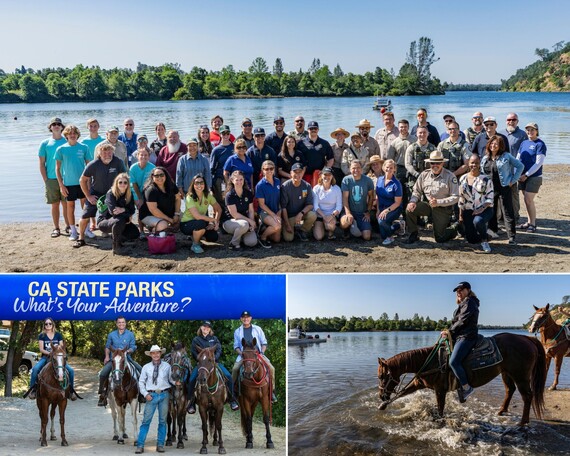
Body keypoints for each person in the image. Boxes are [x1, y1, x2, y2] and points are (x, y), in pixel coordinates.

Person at [74, 142, 127, 248]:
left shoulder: (118, 162)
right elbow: (82, 180)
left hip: (113, 193)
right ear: (99, 153)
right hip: (96, 193)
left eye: (109, 152)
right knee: (85, 216)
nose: (107, 155)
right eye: (104, 152)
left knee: (120, 213)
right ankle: (81, 238)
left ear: (113, 152)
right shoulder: (94, 164)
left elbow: (124, 178)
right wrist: (88, 196)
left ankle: (118, 237)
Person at [404, 150, 459, 244]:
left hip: (443, 208)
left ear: (442, 163)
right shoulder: (424, 175)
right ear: (430, 163)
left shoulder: (450, 176)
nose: (435, 165)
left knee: (440, 238)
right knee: (410, 209)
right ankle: (413, 234)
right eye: (433, 163)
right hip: (428, 205)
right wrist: (413, 201)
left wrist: (439, 202)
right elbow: (416, 191)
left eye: (438, 163)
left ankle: (455, 228)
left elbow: (455, 197)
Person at [186, 321, 239, 414]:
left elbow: (219, 349)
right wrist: (200, 359)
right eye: (204, 326)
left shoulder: (214, 339)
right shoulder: (196, 340)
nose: (206, 328)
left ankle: (232, 399)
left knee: (229, 376)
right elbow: (193, 352)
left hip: (215, 363)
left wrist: (214, 358)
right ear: (201, 328)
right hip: (201, 365)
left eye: (208, 327)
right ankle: (191, 402)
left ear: (210, 329)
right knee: (192, 379)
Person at [480, 135, 524, 244]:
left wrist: (513, 180)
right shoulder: (485, 158)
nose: (493, 146)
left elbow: (520, 166)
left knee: (507, 211)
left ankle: (512, 236)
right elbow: (482, 172)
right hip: (490, 189)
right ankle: (493, 231)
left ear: (500, 146)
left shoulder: (506, 156)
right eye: (491, 143)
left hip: (504, 187)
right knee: (491, 211)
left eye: (496, 144)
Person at [441, 281, 480, 403]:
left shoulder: (469, 302)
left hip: (467, 336)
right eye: (457, 291)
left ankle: (466, 387)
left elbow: (462, 321)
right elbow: (455, 322)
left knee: (454, 361)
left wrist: (449, 332)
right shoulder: (463, 304)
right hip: (460, 336)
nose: (459, 292)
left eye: (461, 290)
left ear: (468, 290)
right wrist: (448, 330)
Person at [54, 124, 90, 243]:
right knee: (70, 206)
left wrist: (89, 183)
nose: (72, 135)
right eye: (70, 134)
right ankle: (74, 231)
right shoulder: (61, 149)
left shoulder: (84, 147)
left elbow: (89, 166)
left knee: (85, 206)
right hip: (68, 183)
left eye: (74, 133)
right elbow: (57, 169)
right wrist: (61, 185)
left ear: (78, 135)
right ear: (66, 135)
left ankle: (86, 229)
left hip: (82, 182)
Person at [232, 311, 277, 403]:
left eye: (247, 317)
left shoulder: (258, 329)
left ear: (251, 318)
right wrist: (241, 353)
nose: (245, 319)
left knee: (271, 368)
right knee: (235, 369)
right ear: (241, 319)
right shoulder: (237, 331)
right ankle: (233, 392)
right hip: (244, 355)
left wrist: (262, 352)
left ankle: (272, 391)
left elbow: (264, 342)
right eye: (244, 317)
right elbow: (236, 346)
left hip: (258, 354)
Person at [97, 316, 143, 407]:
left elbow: (133, 346)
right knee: (103, 373)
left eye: (123, 322)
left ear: (125, 323)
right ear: (116, 324)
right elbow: (107, 346)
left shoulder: (130, 334)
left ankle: (141, 394)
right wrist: (106, 356)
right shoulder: (111, 334)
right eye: (119, 322)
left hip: (127, 359)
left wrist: (129, 351)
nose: (121, 324)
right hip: (114, 360)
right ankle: (102, 394)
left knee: (141, 370)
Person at [136, 345, 173, 454]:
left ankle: (160, 444)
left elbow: (171, 379)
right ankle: (140, 445)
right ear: (151, 355)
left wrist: (177, 382)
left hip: (164, 395)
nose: (156, 355)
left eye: (158, 353)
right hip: (151, 395)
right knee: (146, 421)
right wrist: (145, 394)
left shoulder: (167, 366)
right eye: (153, 353)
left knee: (162, 421)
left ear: (160, 354)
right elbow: (141, 382)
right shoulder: (146, 367)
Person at [28, 317, 77, 401]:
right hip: (46, 357)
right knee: (35, 369)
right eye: (46, 324)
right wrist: (50, 353)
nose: (48, 325)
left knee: (71, 371)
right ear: (44, 325)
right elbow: (41, 349)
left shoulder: (58, 335)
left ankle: (71, 391)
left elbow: (61, 347)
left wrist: (57, 352)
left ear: (52, 324)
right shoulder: (42, 335)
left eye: (50, 323)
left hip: (58, 358)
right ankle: (33, 389)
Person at [39, 117, 70, 238]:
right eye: (54, 124)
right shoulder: (45, 143)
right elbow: (41, 163)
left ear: (62, 127)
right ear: (50, 127)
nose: (56, 126)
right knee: (55, 204)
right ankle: (56, 228)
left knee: (66, 204)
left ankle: (69, 226)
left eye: (58, 124)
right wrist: (45, 180)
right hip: (51, 179)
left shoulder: (67, 141)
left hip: (66, 178)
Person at [458, 154, 494, 253]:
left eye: (476, 163)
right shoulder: (462, 178)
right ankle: (487, 234)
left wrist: (480, 209)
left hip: (485, 209)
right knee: (471, 240)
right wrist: (460, 215)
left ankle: (484, 240)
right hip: (469, 210)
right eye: (472, 163)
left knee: (478, 221)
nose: (474, 165)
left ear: (479, 164)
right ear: (468, 164)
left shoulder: (486, 179)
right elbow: (461, 198)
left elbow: (490, 199)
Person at [98, 173, 140, 255]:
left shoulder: (129, 194)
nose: (122, 184)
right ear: (116, 183)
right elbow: (113, 212)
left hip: (122, 220)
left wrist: (123, 209)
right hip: (105, 222)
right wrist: (127, 214)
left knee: (135, 233)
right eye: (120, 182)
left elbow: (132, 210)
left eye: (125, 182)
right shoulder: (110, 193)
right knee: (119, 221)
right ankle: (116, 247)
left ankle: (119, 237)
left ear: (128, 184)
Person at [180, 174, 222, 254]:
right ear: (193, 185)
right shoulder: (189, 197)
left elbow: (219, 209)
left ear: (205, 184)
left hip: (201, 222)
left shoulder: (208, 196)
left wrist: (215, 222)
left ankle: (196, 236)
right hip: (186, 224)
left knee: (213, 237)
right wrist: (212, 220)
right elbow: (197, 216)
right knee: (200, 223)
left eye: (201, 182)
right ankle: (195, 245)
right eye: (196, 183)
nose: (199, 185)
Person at [517, 122, 546, 233]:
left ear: (537, 131)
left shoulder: (540, 144)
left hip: (534, 176)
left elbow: (539, 163)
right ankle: (529, 222)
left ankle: (533, 224)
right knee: (526, 200)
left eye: (532, 130)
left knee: (528, 199)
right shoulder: (524, 143)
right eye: (528, 130)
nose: (530, 132)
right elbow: (518, 158)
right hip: (522, 176)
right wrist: (518, 173)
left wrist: (527, 174)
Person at [500, 113, 527, 224]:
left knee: (514, 194)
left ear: (517, 121)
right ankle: (501, 216)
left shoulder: (522, 134)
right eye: (509, 119)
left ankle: (515, 215)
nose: (511, 121)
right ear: (506, 120)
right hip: (501, 169)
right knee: (501, 194)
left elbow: (525, 154)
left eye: (513, 119)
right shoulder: (500, 133)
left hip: (514, 170)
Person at [138, 166, 182, 234]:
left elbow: (178, 199)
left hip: (167, 213)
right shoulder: (150, 190)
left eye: (162, 175)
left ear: (165, 175)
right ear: (153, 177)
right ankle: (153, 229)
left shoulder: (171, 185)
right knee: (163, 225)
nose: (159, 178)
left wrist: (176, 214)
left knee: (185, 218)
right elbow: (153, 210)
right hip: (149, 215)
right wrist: (169, 219)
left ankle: (159, 228)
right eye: (156, 176)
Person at [280, 163, 317, 242]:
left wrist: (301, 213)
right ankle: (290, 227)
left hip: (301, 215)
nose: (297, 174)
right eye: (295, 172)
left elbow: (310, 205)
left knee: (313, 215)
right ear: (291, 173)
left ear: (303, 173)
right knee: (288, 239)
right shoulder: (285, 186)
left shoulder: (307, 186)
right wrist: (287, 224)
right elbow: (283, 208)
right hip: (289, 217)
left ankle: (302, 230)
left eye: (299, 172)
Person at [222, 170, 257, 250]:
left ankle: (240, 235)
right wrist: (249, 221)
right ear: (232, 181)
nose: (239, 182)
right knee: (244, 224)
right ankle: (234, 243)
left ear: (244, 180)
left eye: (241, 179)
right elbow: (235, 215)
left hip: (245, 222)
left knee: (251, 242)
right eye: (236, 180)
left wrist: (251, 223)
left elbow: (251, 211)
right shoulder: (229, 195)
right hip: (230, 222)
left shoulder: (248, 193)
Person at [340, 160, 375, 241]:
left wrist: (368, 212)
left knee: (367, 237)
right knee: (345, 222)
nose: (356, 170)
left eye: (358, 168)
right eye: (353, 168)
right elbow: (344, 198)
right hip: (349, 210)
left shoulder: (368, 180)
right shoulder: (346, 180)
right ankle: (347, 230)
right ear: (350, 169)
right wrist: (348, 213)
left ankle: (357, 226)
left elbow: (371, 197)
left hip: (362, 212)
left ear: (361, 169)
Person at [387, 119, 416, 208]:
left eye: (405, 127)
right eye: (401, 127)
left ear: (408, 127)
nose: (403, 129)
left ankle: (412, 210)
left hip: (412, 168)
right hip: (399, 169)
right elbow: (390, 158)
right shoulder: (394, 142)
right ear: (398, 128)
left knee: (412, 190)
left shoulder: (414, 140)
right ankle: (402, 211)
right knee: (401, 191)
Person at [375, 159, 403, 246]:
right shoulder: (379, 179)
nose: (389, 169)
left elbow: (397, 203)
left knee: (381, 221)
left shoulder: (396, 184)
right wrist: (378, 210)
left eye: (391, 168)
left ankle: (390, 237)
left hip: (394, 208)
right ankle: (398, 225)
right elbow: (378, 197)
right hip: (382, 207)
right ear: (383, 168)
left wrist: (387, 210)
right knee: (383, 235)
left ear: (394, 169)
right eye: (387, 167)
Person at [296, 121, 334, 185]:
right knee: (306, 194)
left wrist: (325, 170)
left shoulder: (324, 143)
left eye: (315, 128)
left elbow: (331, 159)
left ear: (318, 129)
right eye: (311, 128)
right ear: (308, 130)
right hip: (305, 174)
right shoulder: (301, 143)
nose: (313, 130)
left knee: (319, 194)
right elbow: (296, 158)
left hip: (320, 174)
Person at [129, 148, 155, 238]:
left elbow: (153, 183)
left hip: (148, 191)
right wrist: (140, 198)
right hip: (136, 191)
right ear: (137, 156)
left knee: (151, 208)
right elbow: (134, 184)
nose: (143, 157)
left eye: (146, 155)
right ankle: (141, 231)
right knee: (140, 207)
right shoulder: (133, 168)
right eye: (141, 155)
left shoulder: (152, 167)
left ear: (149, 156)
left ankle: (151, 227)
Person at [255, 160, 282, 248]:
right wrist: (274, 215)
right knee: (277, 225)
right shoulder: (260, 185)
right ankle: (262, 237)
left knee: (277, 239)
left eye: (271, 168)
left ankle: (264, 228)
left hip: (276, 210)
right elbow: (261, 204)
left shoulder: (278, 181)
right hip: (264, 212)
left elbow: (280, 199)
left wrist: (279, 212)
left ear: (274, 169)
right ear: (263, 170)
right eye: (267, 169)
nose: (269, 171)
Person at [312, 167, 342, 241]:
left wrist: (331, 215)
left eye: (329, 175)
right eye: (325, 174)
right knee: (319, 237)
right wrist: (324, 216)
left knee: (330, 226)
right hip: (320, 215)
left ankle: (330, 233)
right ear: (321, 176)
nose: (327, 177)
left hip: (331, 215)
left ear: (332, 176)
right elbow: (315, 206)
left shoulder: (337, 189)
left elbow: (339, 206)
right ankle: (318, 226)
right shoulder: (316, 188)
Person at [210, 126, 235, 207]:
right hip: (221, 179)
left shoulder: (234, 147)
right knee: (222, 199)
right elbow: (212, 168)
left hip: (234, 178)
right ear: (220, 134)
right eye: (223, 133)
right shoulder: (216, 150)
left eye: (227, 133)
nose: (226, 135)